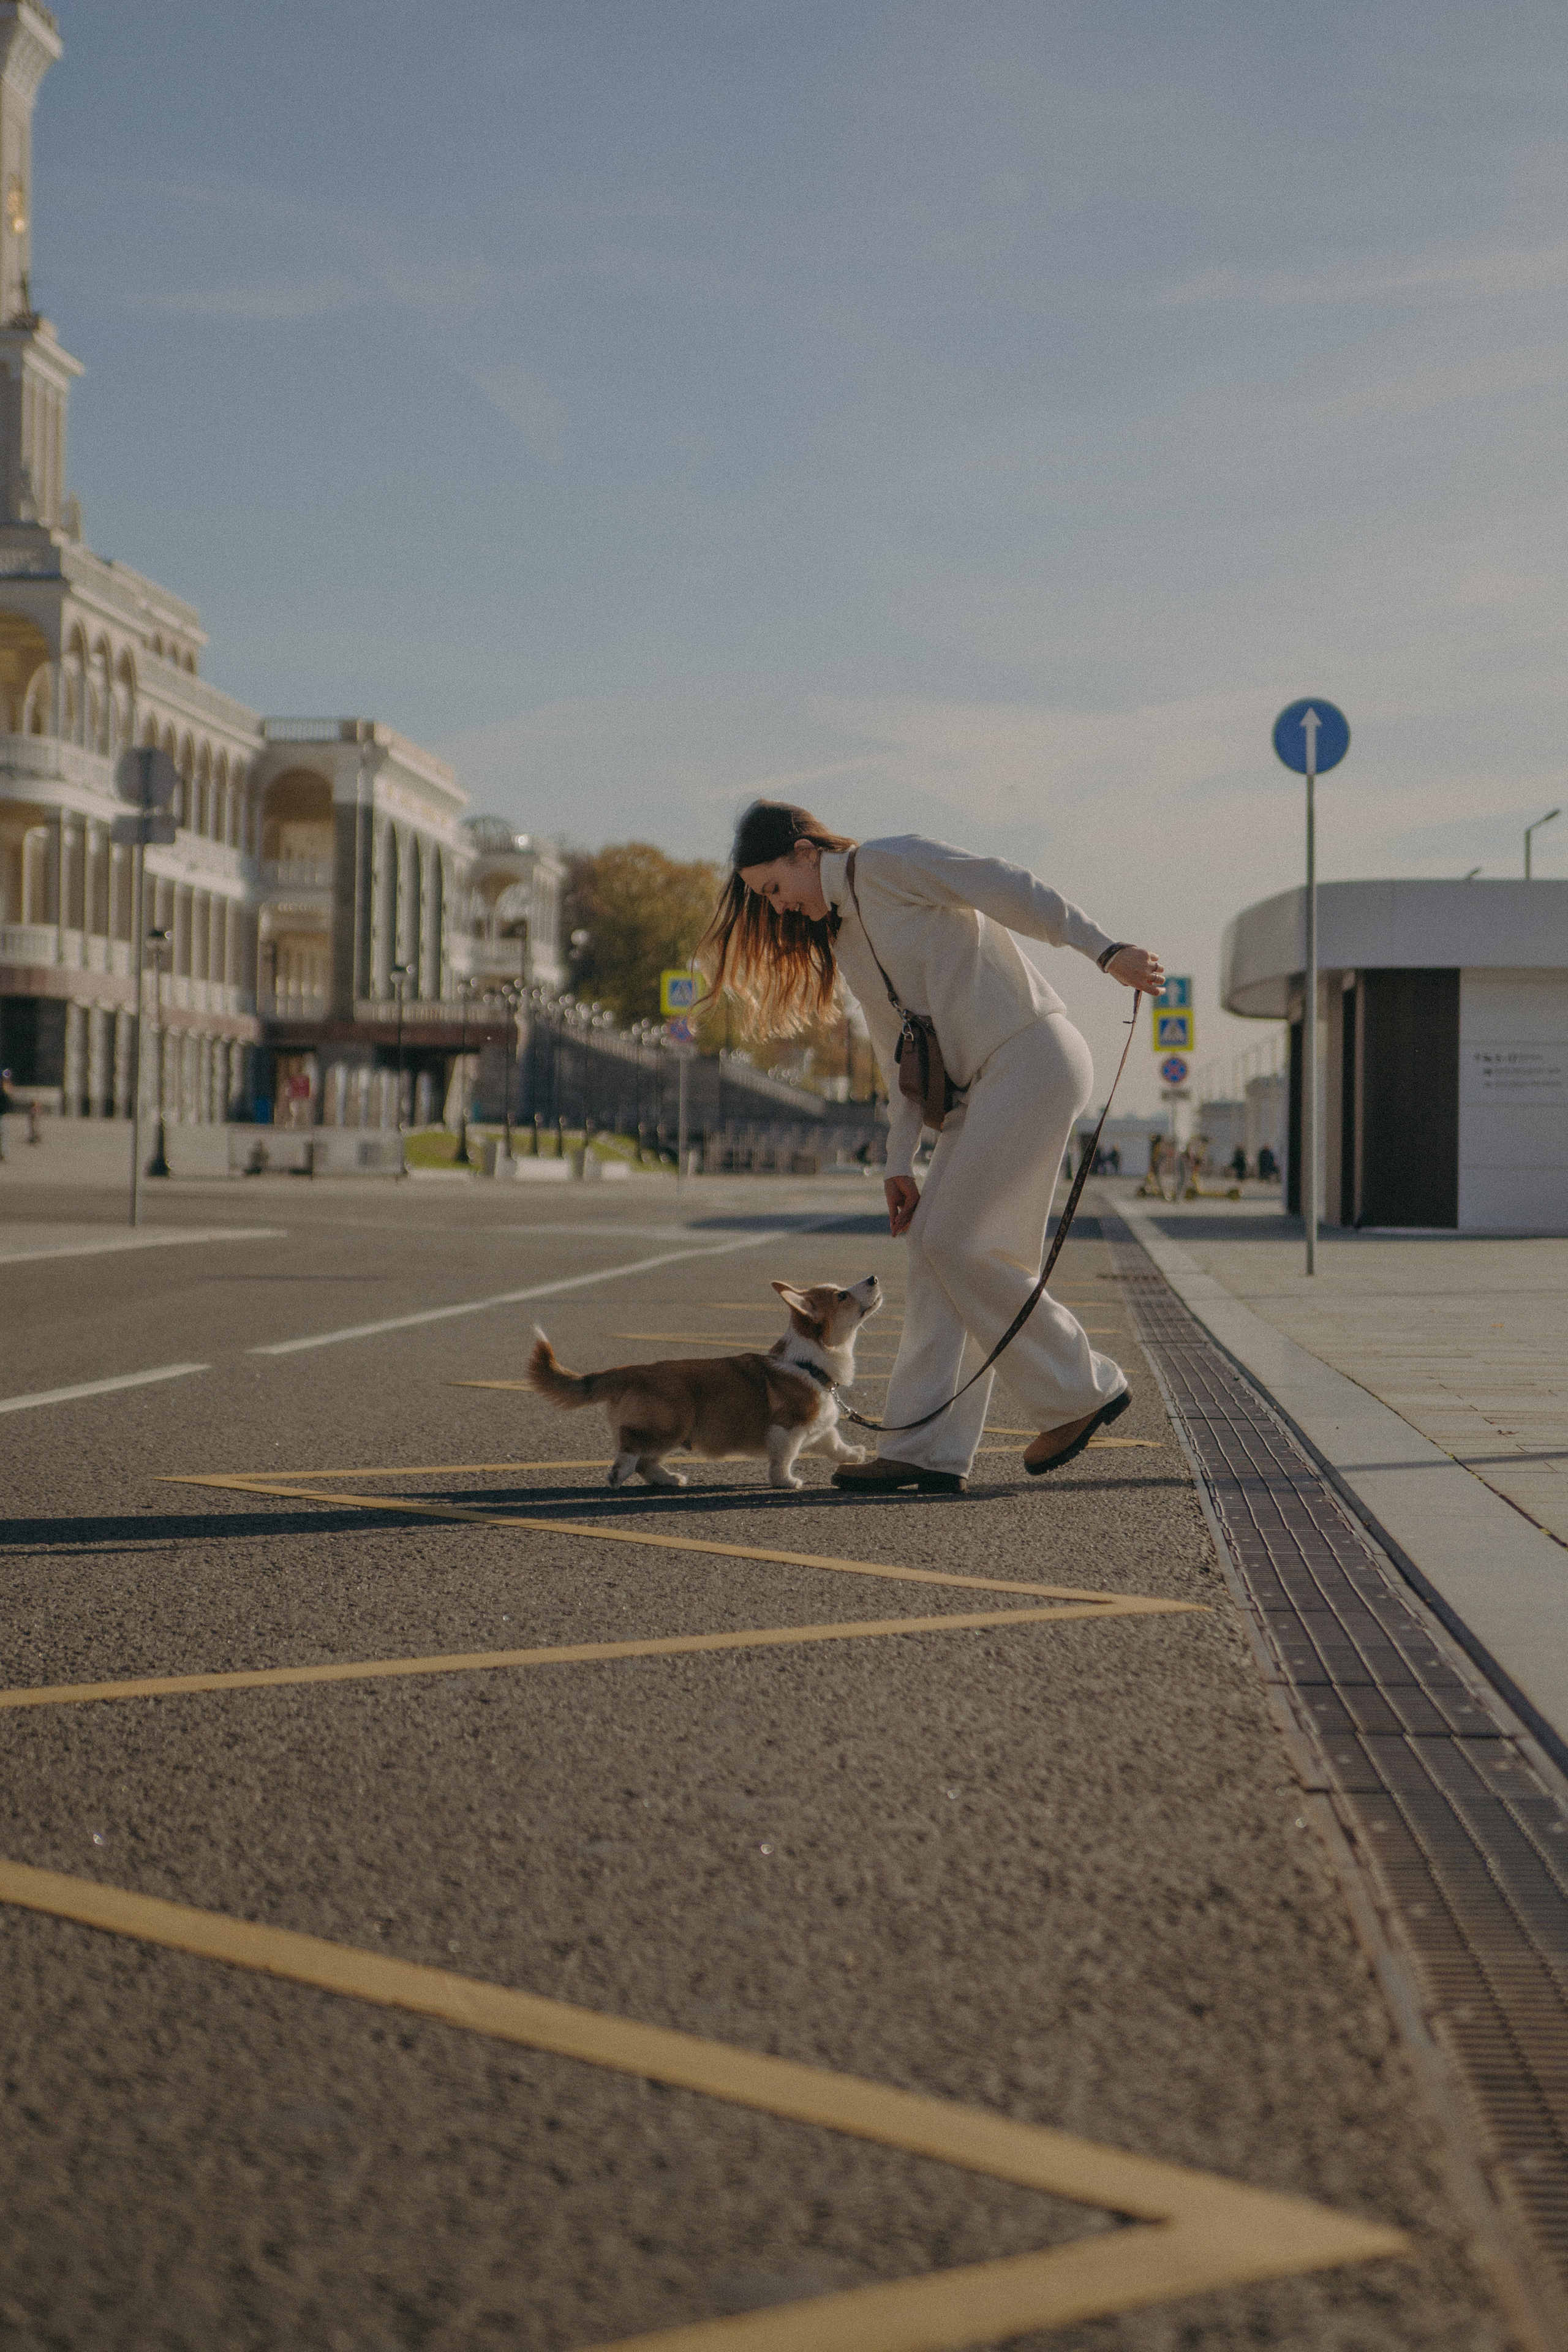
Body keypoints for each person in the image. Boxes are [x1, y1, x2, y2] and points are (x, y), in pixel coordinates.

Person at [699, 800, 1164, 1494]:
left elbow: (1006, 883)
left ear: (803, 852)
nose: (780, 908)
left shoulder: (886, 864)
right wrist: (898, 1163)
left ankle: (1084, 1389)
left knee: (955, 1243)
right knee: (929, 1249)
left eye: (773, 889)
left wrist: (1104, 950)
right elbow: (901, 1063)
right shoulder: (847, 938)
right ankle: (924, 1449)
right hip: (980, 1089)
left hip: (1030, 1054)